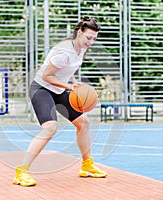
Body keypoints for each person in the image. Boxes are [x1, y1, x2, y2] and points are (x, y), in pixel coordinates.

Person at [13, 16, 108, 187]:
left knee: (83, 123)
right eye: (88, 37)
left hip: (58, 89)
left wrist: (72, 81)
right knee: (50, 128)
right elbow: (47, 75)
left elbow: (67, 67)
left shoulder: (80, 48)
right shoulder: (64, 51)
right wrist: (69, 86)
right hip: (42, 88)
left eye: (94, 39)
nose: (91, 42)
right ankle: (22, 171)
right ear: (80, 32)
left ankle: (87, 166)